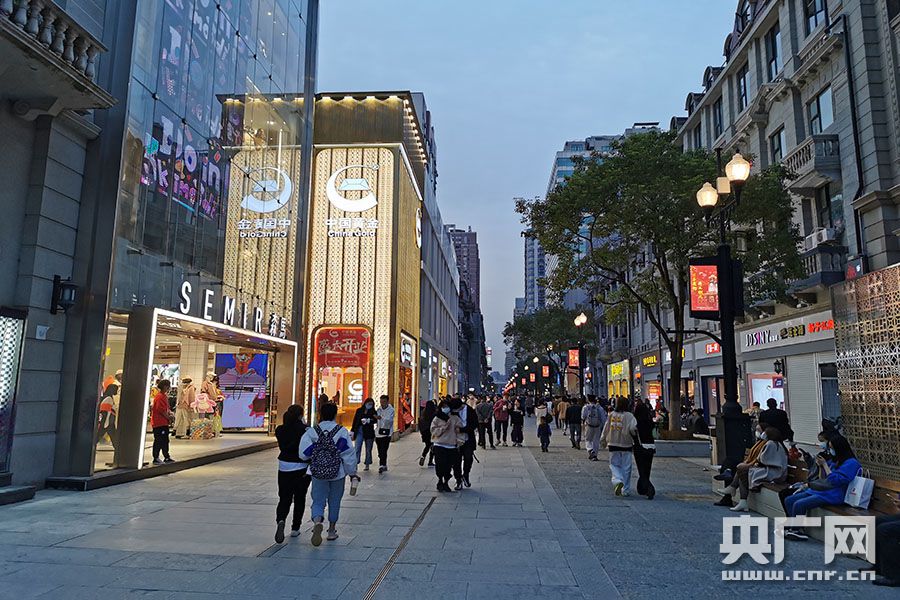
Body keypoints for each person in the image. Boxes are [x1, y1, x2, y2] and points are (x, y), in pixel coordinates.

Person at [299, 402, 359, 546]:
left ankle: (317, 521)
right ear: (335, 414)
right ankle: (331, 530)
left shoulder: (312, 431)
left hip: (318, 472)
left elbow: (303, 454)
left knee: (318, 499)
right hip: (337, 472)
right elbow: (348, 454)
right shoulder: (341, 431)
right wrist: (352, 473)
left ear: (320, 414)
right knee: (335, 500)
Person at [782, 435, 861, 541]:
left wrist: (825, 466)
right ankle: (795, 526)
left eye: (832, 448)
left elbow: (836, 481)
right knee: (789, 500)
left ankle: (795, 530)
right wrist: (820, 466)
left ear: (839, 448)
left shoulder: (852, 463)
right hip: (823, 490)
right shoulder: (836, 460)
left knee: (799, 504)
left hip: (835, 494)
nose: (830, 450)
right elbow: (823, 478)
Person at [721, 426, 788, 512]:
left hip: (774, 473)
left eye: (764, 432)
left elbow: (763, 459)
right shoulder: (774, 443)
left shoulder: (771, 443)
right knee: (743, 471)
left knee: (743, 470)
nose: (762, 434)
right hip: (772, 470)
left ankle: (736, 492)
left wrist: (751, 465)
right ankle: (738, 495)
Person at [274, 405, 311, 543]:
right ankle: (295, 527)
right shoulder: (305, 430)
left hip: (284, 466)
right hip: (301, 466)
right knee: (300, 497)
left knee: (284, 497)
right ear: (300, 415)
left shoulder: (280, 429)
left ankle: (281, 519)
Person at [600, 396, 638, 496]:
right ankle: (625, 490)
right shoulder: (629, 416)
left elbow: (606, 428)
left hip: (613, 443)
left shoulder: (611, 414)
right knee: (627, 467)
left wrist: (603, 440)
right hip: (626, 444)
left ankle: (617, 480)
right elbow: (633, 428)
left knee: (614, 465)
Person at [430, 399, 462, 492]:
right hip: (439, 445)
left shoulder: (455, 418)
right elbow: (434, 431)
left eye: (447, 406)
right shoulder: (437, 418)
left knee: (448, 466)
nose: (445, 408)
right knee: (440, 465)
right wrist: (444, 427)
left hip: (451, 446)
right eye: (443, 407)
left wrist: (459, 441)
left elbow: (459, 431)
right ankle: (440, 480)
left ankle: (446, 482)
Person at [452, 396, 478, 489]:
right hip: (455, 440)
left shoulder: (470, 411)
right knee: (456, 461)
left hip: (468, 439)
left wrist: (462, 430)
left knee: (468, 458)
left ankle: (466, 474)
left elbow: (475, 424)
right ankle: (458, 480)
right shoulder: (452, 411)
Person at [633, 399, 656, 500]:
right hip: (651, 446)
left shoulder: (636, 422)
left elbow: (633, 432)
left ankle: (649, 488)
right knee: (647, 468)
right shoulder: (649, 421)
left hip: (640, 446)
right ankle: (642, 488)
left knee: (641, 469)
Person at [150, 379, 175, 464]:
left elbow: (166, 409)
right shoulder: (160, 397)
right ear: (165, 386)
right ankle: (156, 457)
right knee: (159, 440)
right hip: (159, 423)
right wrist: (169, 417)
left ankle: (166, 456)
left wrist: (169, 414)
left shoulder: (163, 396)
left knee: (165, 440)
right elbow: (161, 410)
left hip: (163, 422)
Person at [350, 398, 378, 471]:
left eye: (371, 404)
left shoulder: (373, 412)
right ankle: (356, 463)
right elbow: (355, 420)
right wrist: (352, 430)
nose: (369, 405)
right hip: (359, 430)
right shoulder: (359, 410)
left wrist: (369, 420)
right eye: (368, 404)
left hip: (369, 431)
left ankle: (367, 464)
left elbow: (376, 420)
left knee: (368, 449)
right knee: (357, 447)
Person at [582, 396, 607, 461]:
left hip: (589, 426)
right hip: (597, 426)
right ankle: (595, 455)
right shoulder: (599, 408)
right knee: (596, 441)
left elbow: (583, 416)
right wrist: (604, 426)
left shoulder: (586, 407)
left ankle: (590, 449)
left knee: (588, 439)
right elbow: (603, 418)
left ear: (588, 400)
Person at [375, 395, 395, 473]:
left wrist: (381, 418)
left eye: (384, 402)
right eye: (381, 402)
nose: (382, 403)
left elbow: (389, 420)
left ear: (387, 402)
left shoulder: (391, 410)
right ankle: (383, 463)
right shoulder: (378, 409)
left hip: (387, 433)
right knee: (380, 450)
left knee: (384, 449)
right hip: (378, 433)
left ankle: (382, 465)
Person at [418, 400, 437, 467]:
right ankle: (430, 461)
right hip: (432, 432)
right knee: (432, 446)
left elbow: (420, 423)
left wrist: (422, 432)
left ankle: (423, 455)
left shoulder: (423, 412)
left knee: (427, 445)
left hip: (425, 432)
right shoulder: (434, 413)